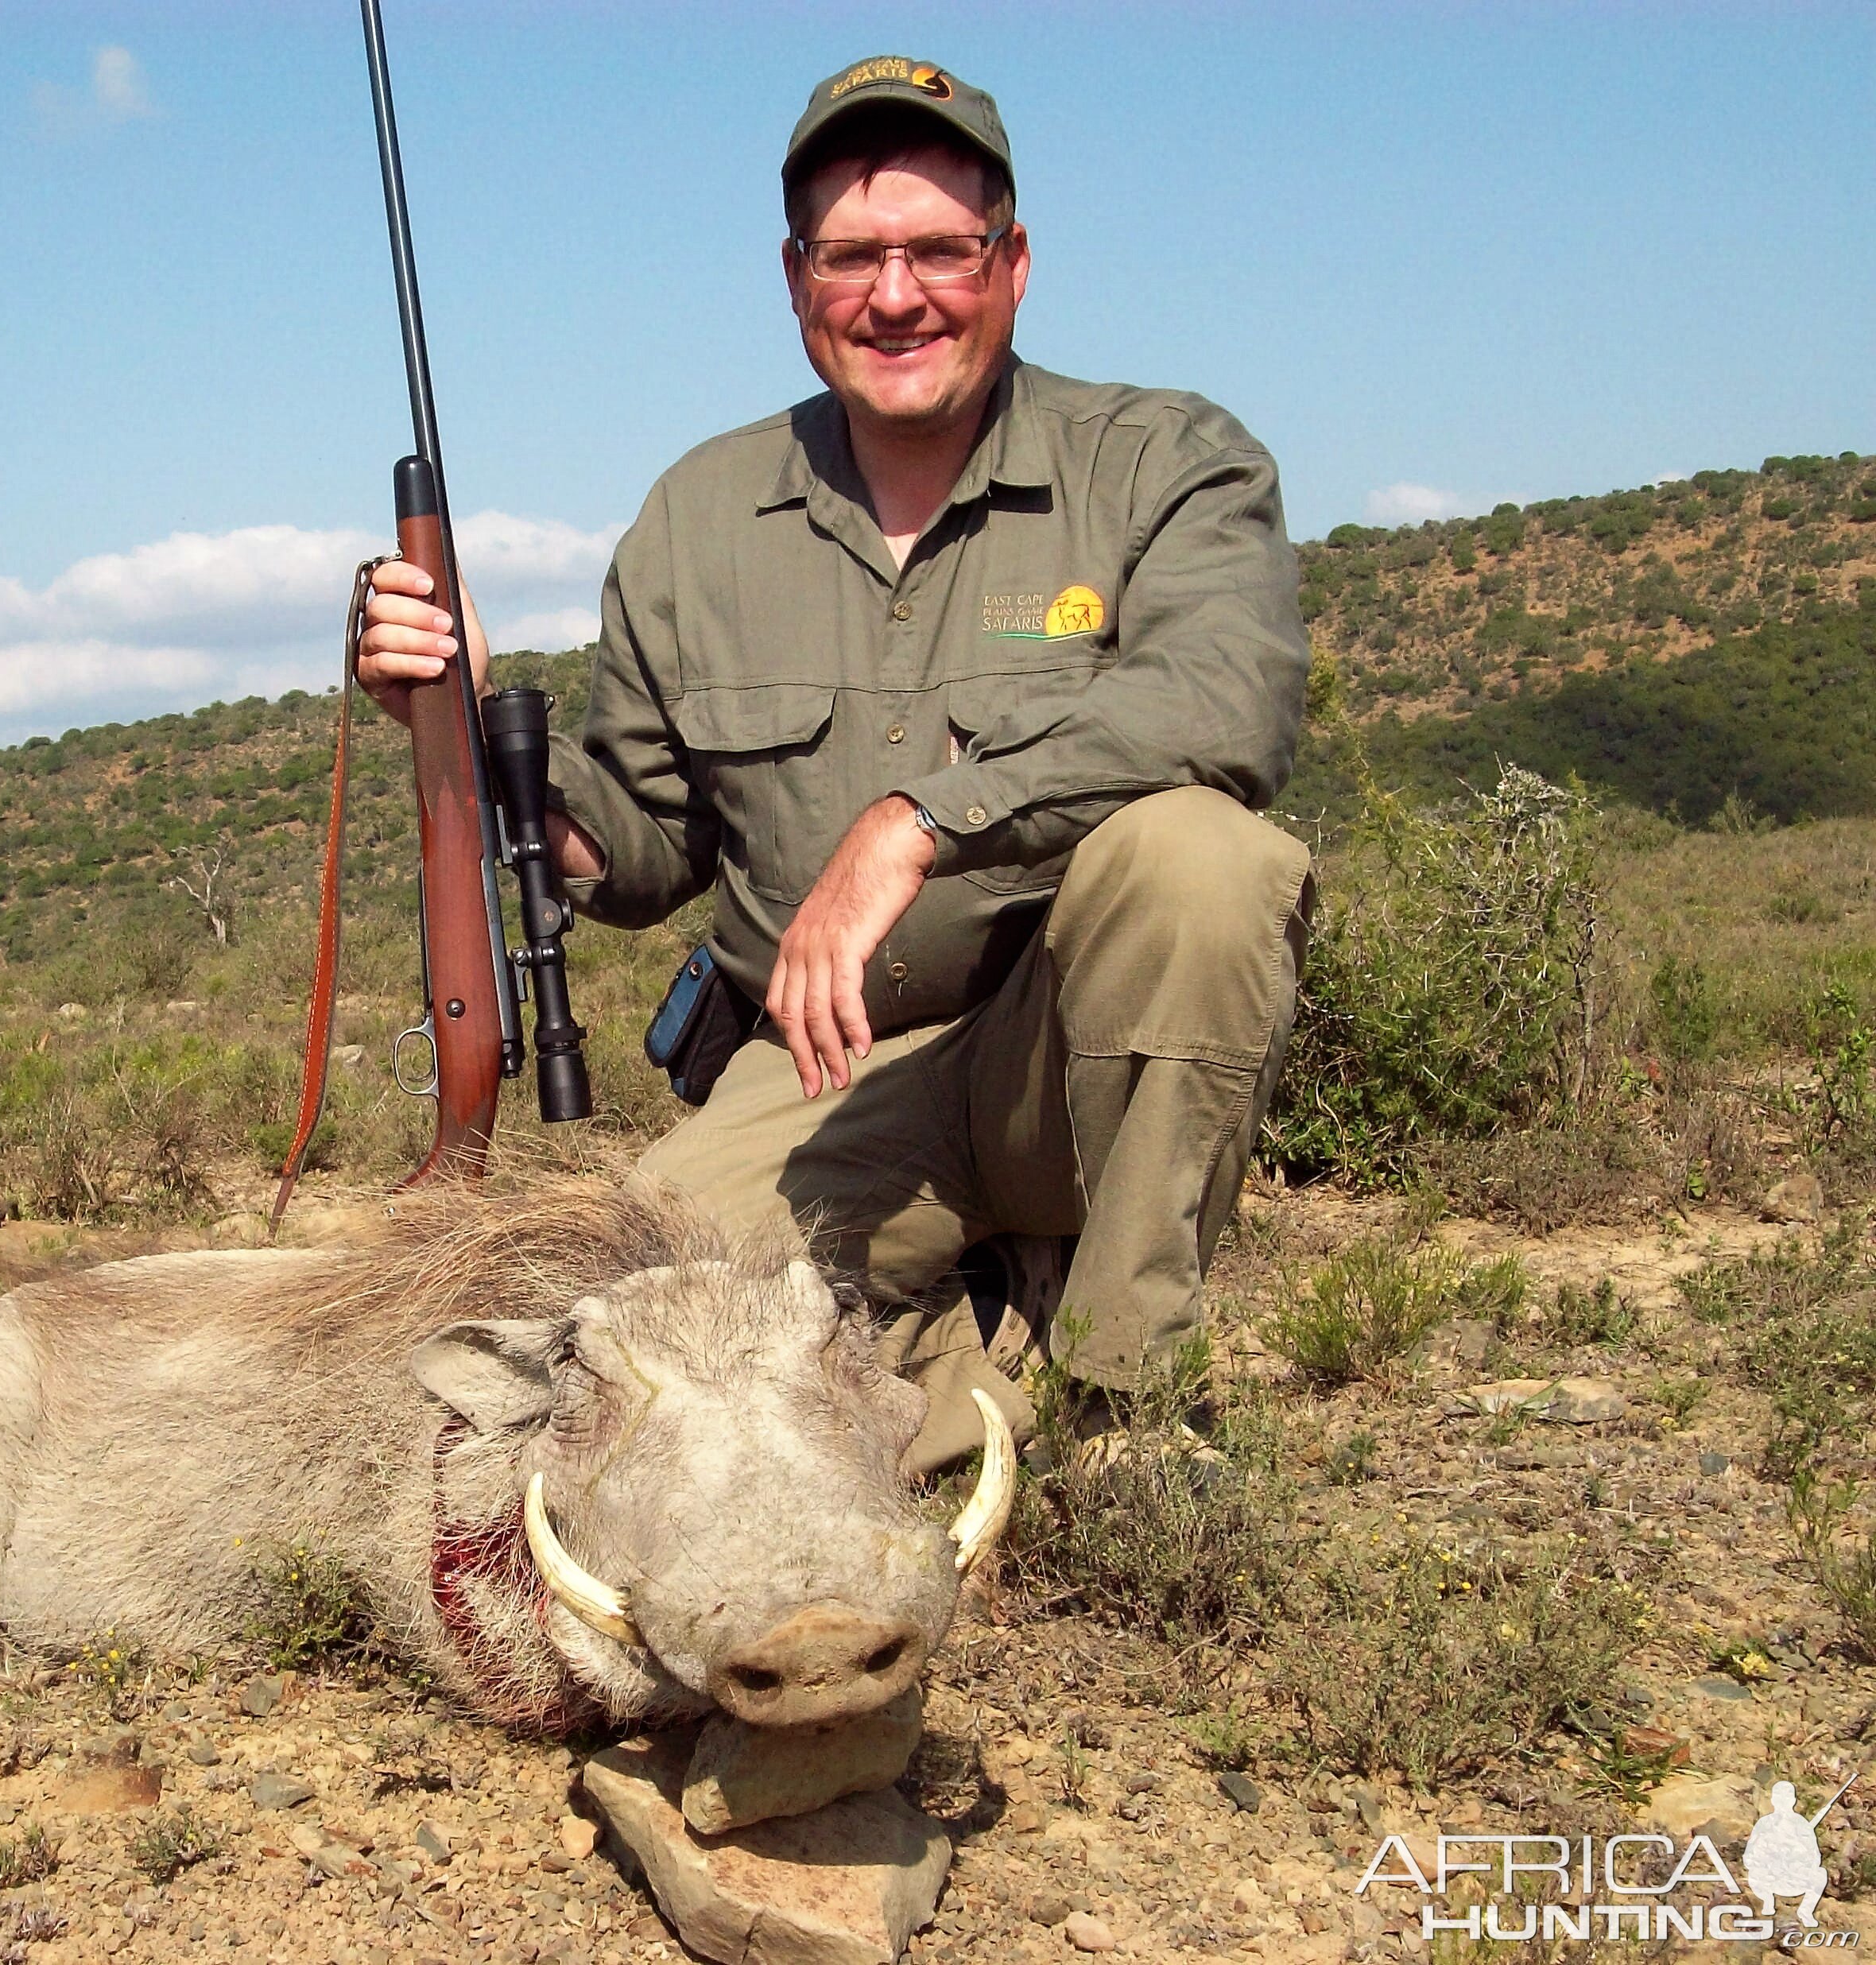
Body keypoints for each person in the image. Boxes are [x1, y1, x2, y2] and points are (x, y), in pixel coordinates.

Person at [356, 56, 1312, 1472]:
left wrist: (917, 821)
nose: (898, 294)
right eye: (854, 256)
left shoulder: (1167, 461)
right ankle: (975, 1359)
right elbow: (638, 843)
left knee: (1210, 863)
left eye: (941, 250)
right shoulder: (697, 517)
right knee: (624, 1314)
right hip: (814, 1083)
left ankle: (1125, 1421)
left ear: (1016, 264)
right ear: (797, 278)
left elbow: (1228, 704)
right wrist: (463, 714)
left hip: (1064, 1068)